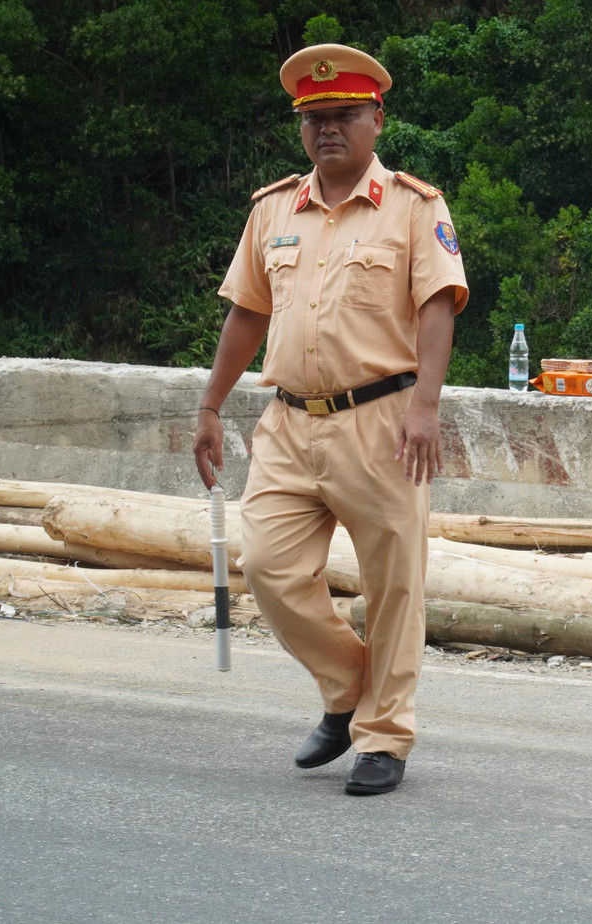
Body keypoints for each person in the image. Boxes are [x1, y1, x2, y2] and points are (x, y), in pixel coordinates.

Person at [192, 43, 468, 796]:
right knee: (267, 567)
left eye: (345, 115)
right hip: (287, 423)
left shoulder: (415, 206)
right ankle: (349, 688)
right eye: (315, 119)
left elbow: (437, 307)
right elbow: (247, 313)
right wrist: (211, 405)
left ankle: (385, 736)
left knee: (393, 585)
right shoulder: (273, 209)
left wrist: (425, 406)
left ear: (377, 119)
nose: (329, 130)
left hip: (381, 422)